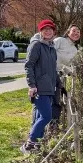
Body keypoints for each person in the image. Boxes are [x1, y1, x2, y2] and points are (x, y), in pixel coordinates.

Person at [21, 19, 60, 153]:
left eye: (50, 29)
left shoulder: (51, 48)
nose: (48, 31)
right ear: (41, 31)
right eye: (45, 29)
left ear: (54, 32)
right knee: (46, 116)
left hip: (49, 88)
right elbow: (29, 65)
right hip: (39, 88)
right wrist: (31, 85)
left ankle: (36, 144)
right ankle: (30, 142)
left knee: (40, 116)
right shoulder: (36, 45)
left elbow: (53, 70)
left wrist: (59, 84)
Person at [52, 24, 81, 126]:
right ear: (68, 32)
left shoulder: (75, 50)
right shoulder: (60, 41)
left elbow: (72, 65)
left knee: (58, 100)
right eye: (74, 31)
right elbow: (49, 51)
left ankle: (54, 123)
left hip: (61, 77)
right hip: (51, 73)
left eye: (78, 32)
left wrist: (71, 72)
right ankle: (49, 124)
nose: (76, 33)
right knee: (52, 100)